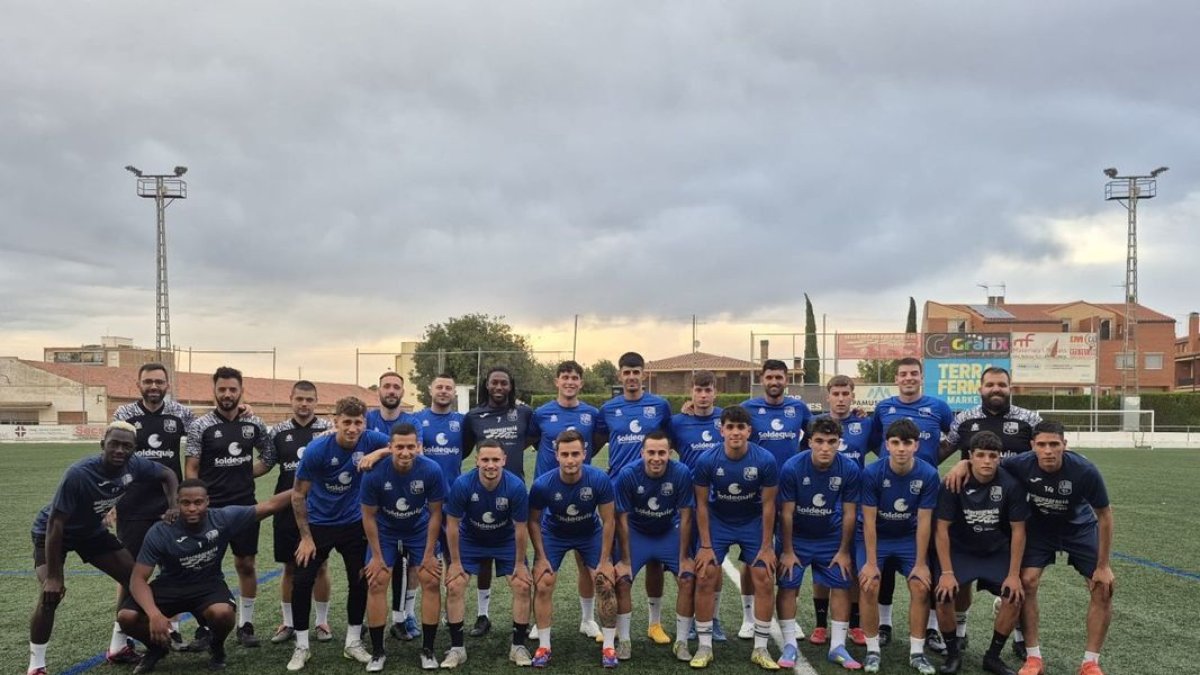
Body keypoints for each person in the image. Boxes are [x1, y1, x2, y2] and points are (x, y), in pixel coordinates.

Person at [946, 421, 1115, 675]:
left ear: (1064, 446)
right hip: (1039, 529)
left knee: (1103, 588)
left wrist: (1103, 566)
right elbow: (986, 461)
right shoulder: (1020, 463)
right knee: (1026, 582)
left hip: (1079, 529)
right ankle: (1033, 657)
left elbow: (1105, 515)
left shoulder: (1085, 471)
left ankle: (1090, 662)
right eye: (1042, 445)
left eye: (1054, 445)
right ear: (1032, 446)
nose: (1048, 450)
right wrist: (962, 463)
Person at [27, 421, 179, 675]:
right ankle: (36, 666)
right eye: (114, 444)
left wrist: (173, 504)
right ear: (102, 446)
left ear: (134, 450)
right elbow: (56, 523)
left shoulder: (135, 465)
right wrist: (53, 576)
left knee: (135, 579)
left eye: (126, 446)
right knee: (50, 595)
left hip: (90, 532)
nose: (120, 450)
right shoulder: (79, 473)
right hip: (52, 533)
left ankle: (119, 646)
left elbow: (168, 474)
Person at [116, 479, 295, 673]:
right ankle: (157, 648)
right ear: (177, 503)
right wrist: (154, 614)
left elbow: (270, 505)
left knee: (223, 614)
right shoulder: (161, 531)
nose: (192, 508)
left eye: (198, 502)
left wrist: (304, 486)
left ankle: (216, 645)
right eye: (185, 503)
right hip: (170, 585)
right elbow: (138, 578)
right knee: (126, 617)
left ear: (207, 501)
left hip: (208, 584)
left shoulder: (222, 518)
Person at [286, 396, 390, 671]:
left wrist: (377, 453)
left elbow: (405, 446)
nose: (353, 428)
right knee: (303, 579)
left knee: (360, 580)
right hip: (319, 524)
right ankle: (302, 646)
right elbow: (298, 495)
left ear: (364, 423)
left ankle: (353, 641)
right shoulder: (318, 449)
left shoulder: (372, 439)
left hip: (354, 523)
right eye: (347, 422)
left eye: (358, 422)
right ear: (336, 422)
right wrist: (306, 537)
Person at [942, 367, 1041, 657]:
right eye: (990, 384)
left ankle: (1022, 637)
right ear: (980, 388)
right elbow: (942, 451)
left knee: (1022, 580)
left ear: (1011, 387)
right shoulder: (964, 419)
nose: (995, 389)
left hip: (1016, 512)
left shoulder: (1029, 420)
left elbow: (1046, 454)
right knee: (962, 580)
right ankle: (959, 633)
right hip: (971, 511)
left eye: (1001, 384)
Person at [184, 366, 275, 648]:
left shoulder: (254, 425)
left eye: (232, 389)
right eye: (222, 389)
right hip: (211, 509)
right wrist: (197, 503)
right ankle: (203, 625)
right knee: (204, 566)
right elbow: (191, 467)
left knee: (245, 564)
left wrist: (248, 474)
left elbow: (269, 456)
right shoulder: (201, 425)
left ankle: (245, 624)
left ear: (241, 391)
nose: (227, 394)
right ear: (214, 391)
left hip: (245, 507)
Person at [867, 358, 954, 652]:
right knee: (886, 567)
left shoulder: (938, 407)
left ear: (921, 377)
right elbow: (875, 440)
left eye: (913, 373)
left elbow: (953, 437)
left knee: (927, 560)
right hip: (889, 487)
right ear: (896, 378)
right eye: (903, 374)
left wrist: (938, 461)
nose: (908, 378)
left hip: (926, 487)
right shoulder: (883, 408)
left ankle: (930, 630)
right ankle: (884, 624)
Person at [111, 362, 197, 655]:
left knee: (173, 568)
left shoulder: (181, 414)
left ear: (167, 385)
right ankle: (121, 641)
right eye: (148, 381)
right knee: (130, 572)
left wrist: (245, 409)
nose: (154, 387)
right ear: (139, 385)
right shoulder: (124, 415)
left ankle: (174, 631)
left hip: (170, 505)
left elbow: (208, 426)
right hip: (133, 504)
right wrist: (111, 502)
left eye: (159, 382)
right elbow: (113, 457)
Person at [691, 405, 781, 670]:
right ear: (721, 430)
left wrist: (766, 546)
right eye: (730, 427)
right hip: (719, 520)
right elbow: (702, 505)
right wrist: (706, 545)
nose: (735, 432)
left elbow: (768, 506)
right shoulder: (707, 460)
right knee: (705, 572)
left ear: (749, 431)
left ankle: (761, 648)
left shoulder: (764, 460)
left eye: (741, 427)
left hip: (751, 521)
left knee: (764, 576)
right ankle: (705, 646)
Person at [933, 431, 1027, 675]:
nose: (987, 461)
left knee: (1014, 596)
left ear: (999, 458)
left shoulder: (1010, 485)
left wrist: (1014, 574)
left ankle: (993, 657)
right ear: (970, 457)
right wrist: (946, 572)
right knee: (943, 595)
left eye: (992, 456)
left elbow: (1019, 531)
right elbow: (941, 529)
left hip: (995, 551)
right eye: (981, 455)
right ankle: (953, 654)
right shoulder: (953, 483)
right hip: (961, 550)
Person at [527, 429, 620, 669]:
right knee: (544, 581)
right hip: (554, 533)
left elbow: (609, 520)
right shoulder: (543, 484)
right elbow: (534, 521)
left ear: (584, 454)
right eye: (565, 454)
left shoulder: (599, 480)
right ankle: (544, 646)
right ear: (556, 455)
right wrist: (540, 557)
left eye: (575, 454)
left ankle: (609, 646)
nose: (571, 460)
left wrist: (605, 560)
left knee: (605, 581)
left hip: (589, 532)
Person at [776, 416, 863, 670]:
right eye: (820, 441)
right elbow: (786, 513)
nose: (825, 447)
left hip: (831, 537)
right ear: (810, 442)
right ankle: (790, 644)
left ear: (839, 443)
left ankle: (837, 646)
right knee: (788, 585)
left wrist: (844, 551)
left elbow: (849, 513)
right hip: (798, 538)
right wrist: (788, 551)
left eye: (832, 442)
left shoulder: (848, 469)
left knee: (842, 583)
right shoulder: (792, 468)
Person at [599, 352, 673, 645]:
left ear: (645, 374)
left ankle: (654, 623)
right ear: (619, 375)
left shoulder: (660, 405)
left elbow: (671, 437)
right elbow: (595, 440)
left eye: (636, 372)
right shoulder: (607, 408)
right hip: (620, 490)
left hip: (655, 492)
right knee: (620, 559)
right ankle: (617, 624)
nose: (631, 377)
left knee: (656, 560)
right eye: (626, 372)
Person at [529, 361, 607, 641]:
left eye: (575, 378)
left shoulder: (592, 414)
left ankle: (587, 619)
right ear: (557, 381)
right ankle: (540, 621)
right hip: (550, 493)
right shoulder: (541, 413)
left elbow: (597, 441)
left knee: (585, 562)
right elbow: (534, 441)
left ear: (581, 382)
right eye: (565, 377)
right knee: (545, 564)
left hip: (580, 491)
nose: (570, 382)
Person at [857, 418, 941, 675]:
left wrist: (919, 564)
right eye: (895, 443)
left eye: (907, 443)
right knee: (869, 584)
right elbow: (869, 522)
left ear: (916, 445)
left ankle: (917, 653)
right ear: (887, 445)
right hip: (876, 536)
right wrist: (871, 563)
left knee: (920, 585)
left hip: (907, 536)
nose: (901, 448)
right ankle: (872, 650)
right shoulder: (872, 473)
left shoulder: (928, 474)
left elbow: (925, 521)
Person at [360, 422, 447, 671]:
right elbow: (368, 516)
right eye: (400, 447)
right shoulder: (375, 472)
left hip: (418, 530)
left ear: (418, 447)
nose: (405, 452)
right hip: (385, 531)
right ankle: (378, 651)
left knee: (430, 579)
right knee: (376, 580)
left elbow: (435, 514)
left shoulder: (431, 469)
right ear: (390, 447)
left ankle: (428, 650)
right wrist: (376, 557)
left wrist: (430, 554)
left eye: (411, 446)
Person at [737, 359, 813, 639]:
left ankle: (789, 615)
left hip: (792, 492)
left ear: (786, 380)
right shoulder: (749, 408)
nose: (774, 381)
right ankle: (748, 616)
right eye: (769, 377)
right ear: (762, 379)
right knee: (752, 555)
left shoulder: (798, 408)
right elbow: (727, 425)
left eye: (779, 377)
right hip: (757, 493)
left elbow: (817, 433)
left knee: (790, 553)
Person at [443, 441, 534, 667]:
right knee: (454, 585)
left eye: (495, 460)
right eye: (485, 460)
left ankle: (518, 646)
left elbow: (521, 527)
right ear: (477, 461)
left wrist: (520, 564)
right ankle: (456, 649)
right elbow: (452, 525)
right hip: (471, 539)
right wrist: (454, 562)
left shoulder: (515, 486)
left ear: (504, 460)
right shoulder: (463, 484)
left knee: (523, 585)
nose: (490, 465)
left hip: (505, 540)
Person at [462, 367, 536, 640]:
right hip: (483, 492)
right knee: (482, 558)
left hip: (513, 490)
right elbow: (466, 448)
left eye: (504, 383)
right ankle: (483, 615)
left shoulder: (524, 413)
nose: (499, 387)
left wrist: (513, 450)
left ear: (510, 386)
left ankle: (521, 621)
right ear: (487, 385)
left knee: (518, 552)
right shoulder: (473, 416)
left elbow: (534, 438)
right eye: (494, 382)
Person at [613, 430, 696, 663]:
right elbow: (621, 518)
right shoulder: (628, 474)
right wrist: (625, 560)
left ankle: (681, 642)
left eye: (662, 452)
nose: (656, 458)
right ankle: (625, 641)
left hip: (667, 531)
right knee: (622, 579)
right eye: (651, 452)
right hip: (637, 532)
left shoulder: (681, 473)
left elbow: (686, 516)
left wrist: (684, 557)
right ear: (642, 453)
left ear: (670, 453)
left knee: (687, 577)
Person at [266, 381, 335, 645]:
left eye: (309, 400)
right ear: (291, 399)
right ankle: (288, 622)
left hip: (319, 508)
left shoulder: (327, 432)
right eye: (299, 399)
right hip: (286, 508)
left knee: (320, 566)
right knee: (289, 567)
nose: (304, 404)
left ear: (316, 402)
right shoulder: (279, 432)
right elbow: (266, 463)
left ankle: (321, 621)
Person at [810, 374, 876, 648]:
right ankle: (821, 625)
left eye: (845, 393)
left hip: (854, 505)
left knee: (850, 564)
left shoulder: (865, 424)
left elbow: (885, 449)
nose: (840, 398)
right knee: (823, 567)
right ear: (828, 396)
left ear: (852, 395)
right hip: (822, 505)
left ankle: (856, 624)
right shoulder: (815, 425)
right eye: (835, 393)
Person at [669, 370, 728, 642]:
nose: (703, 396)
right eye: (698, 390)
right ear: (691, 392)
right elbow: (660, 451)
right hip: (687, 503)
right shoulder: (677, 421)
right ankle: (690, 618)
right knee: (688, 561)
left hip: (720, 502)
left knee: (713, 563)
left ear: (715, 392)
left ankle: (711, 618)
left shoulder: (726, 420)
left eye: (708, 390)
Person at [365, 372, 420, 437]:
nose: (391, 391)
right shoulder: (367, 420)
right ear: (378, 391)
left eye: (396, 387)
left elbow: (417, 447)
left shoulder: (412, 423)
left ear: (402, 393)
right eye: (386, 386)